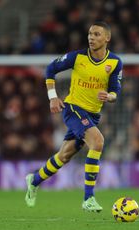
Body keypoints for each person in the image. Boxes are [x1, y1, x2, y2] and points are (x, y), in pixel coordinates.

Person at [25, 21, 123, 212]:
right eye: (90, 34)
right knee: (98, 141)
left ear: (107, 38)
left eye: (96, 34)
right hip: (73, 109)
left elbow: (115, 89)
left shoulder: (115, 63)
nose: (91, 38)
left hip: (93, 115)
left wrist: (110, 96)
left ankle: (34, 180)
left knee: (64, 155)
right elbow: (50, 69)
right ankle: (88, 198)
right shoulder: (77, 57)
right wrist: (53, 98)